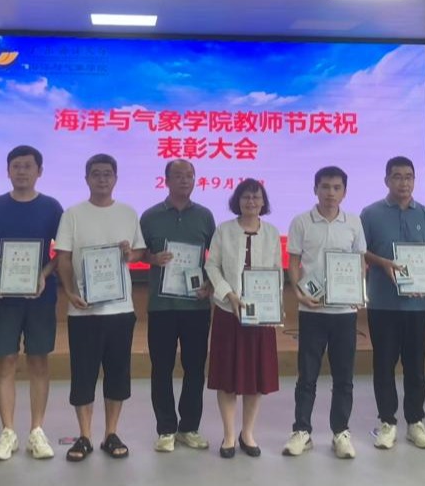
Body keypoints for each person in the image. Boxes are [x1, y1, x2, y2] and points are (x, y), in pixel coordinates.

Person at [0, 145, 63, 461]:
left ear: (39, 171)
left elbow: (62, 251)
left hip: (41, 296)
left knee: (39, 362)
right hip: (4, 298)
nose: (22, 171)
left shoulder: (51, 207)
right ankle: (8, 432)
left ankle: (36, 431)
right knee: (6, 361)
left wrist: (44, 274)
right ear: (8, 171)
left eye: (28, 166)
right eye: (16, 166)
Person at [55, 153, 146, 461]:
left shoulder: (128, 213)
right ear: (87, 179)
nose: (102, 179)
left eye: (108, 173)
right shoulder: (72, 214)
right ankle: (84, 436)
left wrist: (130, 254)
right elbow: (63, 258)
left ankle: (111, 433)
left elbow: (138, 253)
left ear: (115, 178)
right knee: (83, 375)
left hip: (120, 310)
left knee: (118, 374)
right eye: (96, 173)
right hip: (83, 310)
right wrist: (69, 292)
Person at [283, 166, 367, 459]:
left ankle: (340, 432)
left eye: (336, 187)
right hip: (312, 309)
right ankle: (302, 431)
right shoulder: (301, 222)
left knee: (344, 377)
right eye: (325, 187)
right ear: (315, 189)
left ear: (344, 191)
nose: (330, 193)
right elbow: (294, 262)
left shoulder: (353, 222)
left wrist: (357, 292)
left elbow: (360, 263)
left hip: (344, 312)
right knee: (307, 375)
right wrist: (298, 292)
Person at [361, 156, 425, 451]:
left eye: (409, 177)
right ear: (386, 180)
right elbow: (361, 251)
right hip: (383, 303)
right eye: (397, 176)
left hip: (417, 306)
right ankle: (387, 422)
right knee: (384, 364)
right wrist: (383, 263)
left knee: (416, 366)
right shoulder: (370, 214)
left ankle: (415, 421)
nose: (403, 182)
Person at [139, 159, 216, 453]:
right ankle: (166, 429)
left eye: (190, 176)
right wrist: (152, 258)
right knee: (161, 368)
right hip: (162, 306)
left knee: (195, 368)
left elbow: (216, 257)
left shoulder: (205, 216)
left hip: (196, 306)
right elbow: (138, 252)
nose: (185, 180)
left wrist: (209, 284)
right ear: (166, 180)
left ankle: (189, 428)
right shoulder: (150, 216)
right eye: (178, 176)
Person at [205, 179, 281, 458]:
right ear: (237, 200)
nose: (251, 202)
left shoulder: (272, 232)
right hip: (228, 313)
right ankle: (228, 435)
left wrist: (273, 306)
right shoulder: (224, 230)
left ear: (263, 202)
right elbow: (212, 266)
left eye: (256, 197)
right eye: (246, 197)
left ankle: (247, 433)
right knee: (227, 377)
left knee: (255, 377)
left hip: (260, 317)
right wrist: (229, 295)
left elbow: (276, 270)